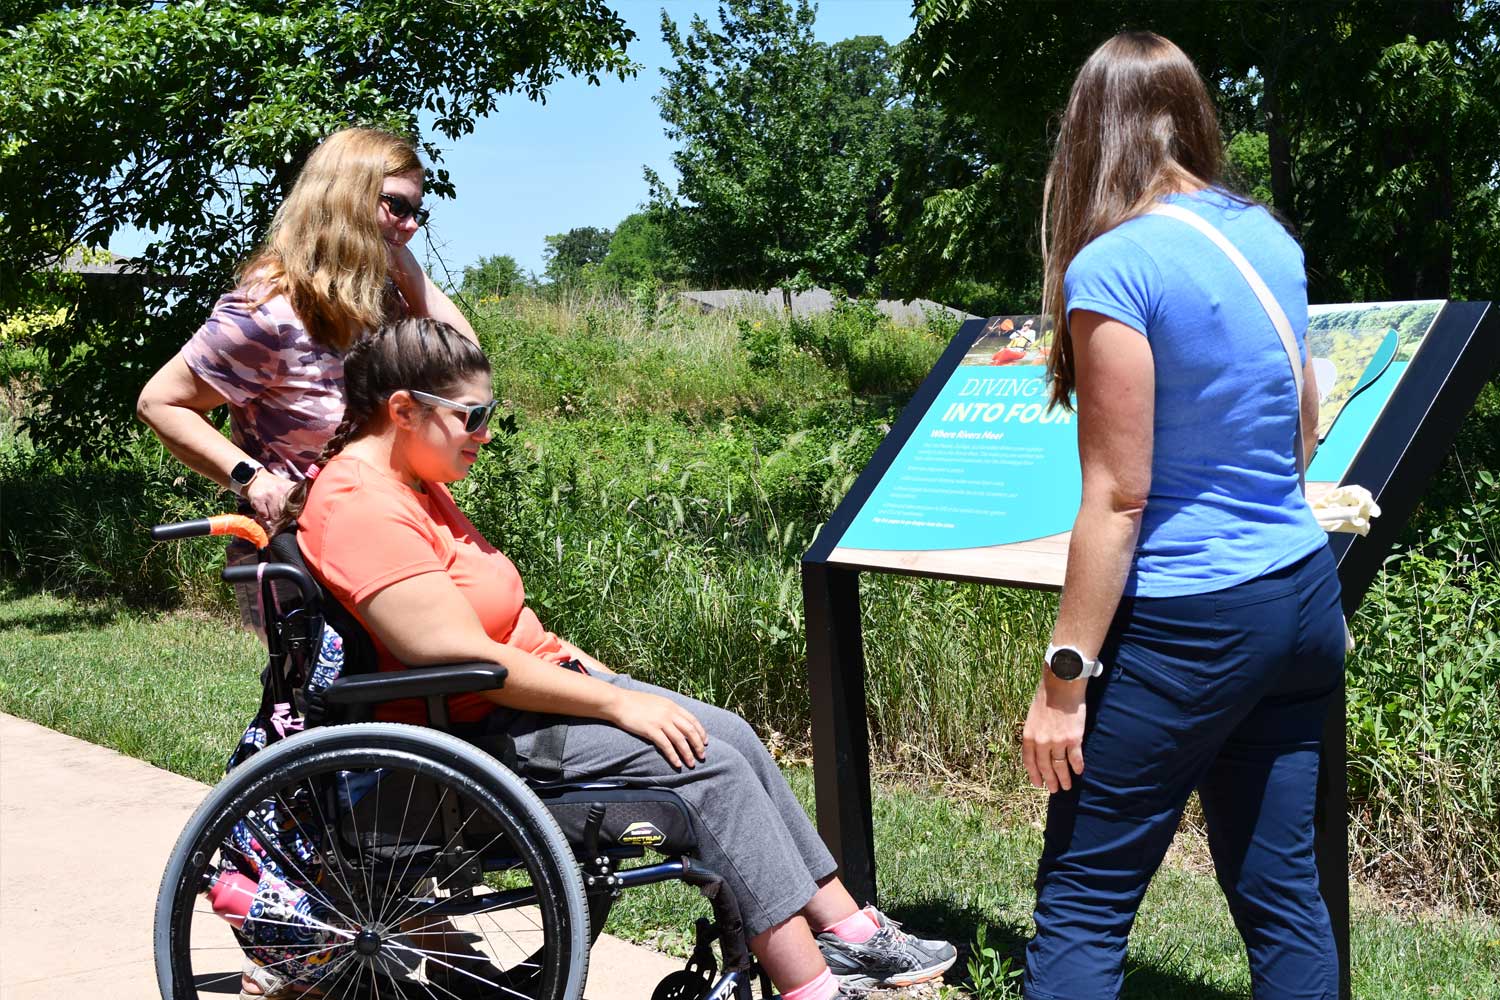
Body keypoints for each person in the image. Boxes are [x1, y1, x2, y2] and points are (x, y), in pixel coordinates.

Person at [284, 317, 958, 1000]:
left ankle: (849, 933)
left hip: (517, 703)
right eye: (474, 415)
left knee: (729, 733)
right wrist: (613, 702)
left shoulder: (414, 482)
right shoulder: (362, 506)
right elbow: (454, 653)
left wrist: (605, 678)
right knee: (709, 770)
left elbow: (509, 625)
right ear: (402, 410)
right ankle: (810, 987)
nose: (486, 432)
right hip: (475, 737)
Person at [1020, 32, 1343, 1000]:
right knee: (1282, 890)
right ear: (1189, 114)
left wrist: (1064, 679)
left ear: (1087, 130)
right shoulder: (1265, 234)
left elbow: (1120, 494)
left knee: (1084, 894)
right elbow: (1305, 417)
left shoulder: (1116, 266)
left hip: (1186, 621)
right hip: (1298, 596)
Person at [137, 126, 477, 630]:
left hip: (393, 541)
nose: (410, 226)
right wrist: (252, 479)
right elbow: (159, 403)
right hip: (303, 557)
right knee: (319, 703)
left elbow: (464, 370)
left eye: (417, 213)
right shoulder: (270, 310)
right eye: (397, 207)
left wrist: (408, 271)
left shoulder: (380, 300)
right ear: (345, 199)